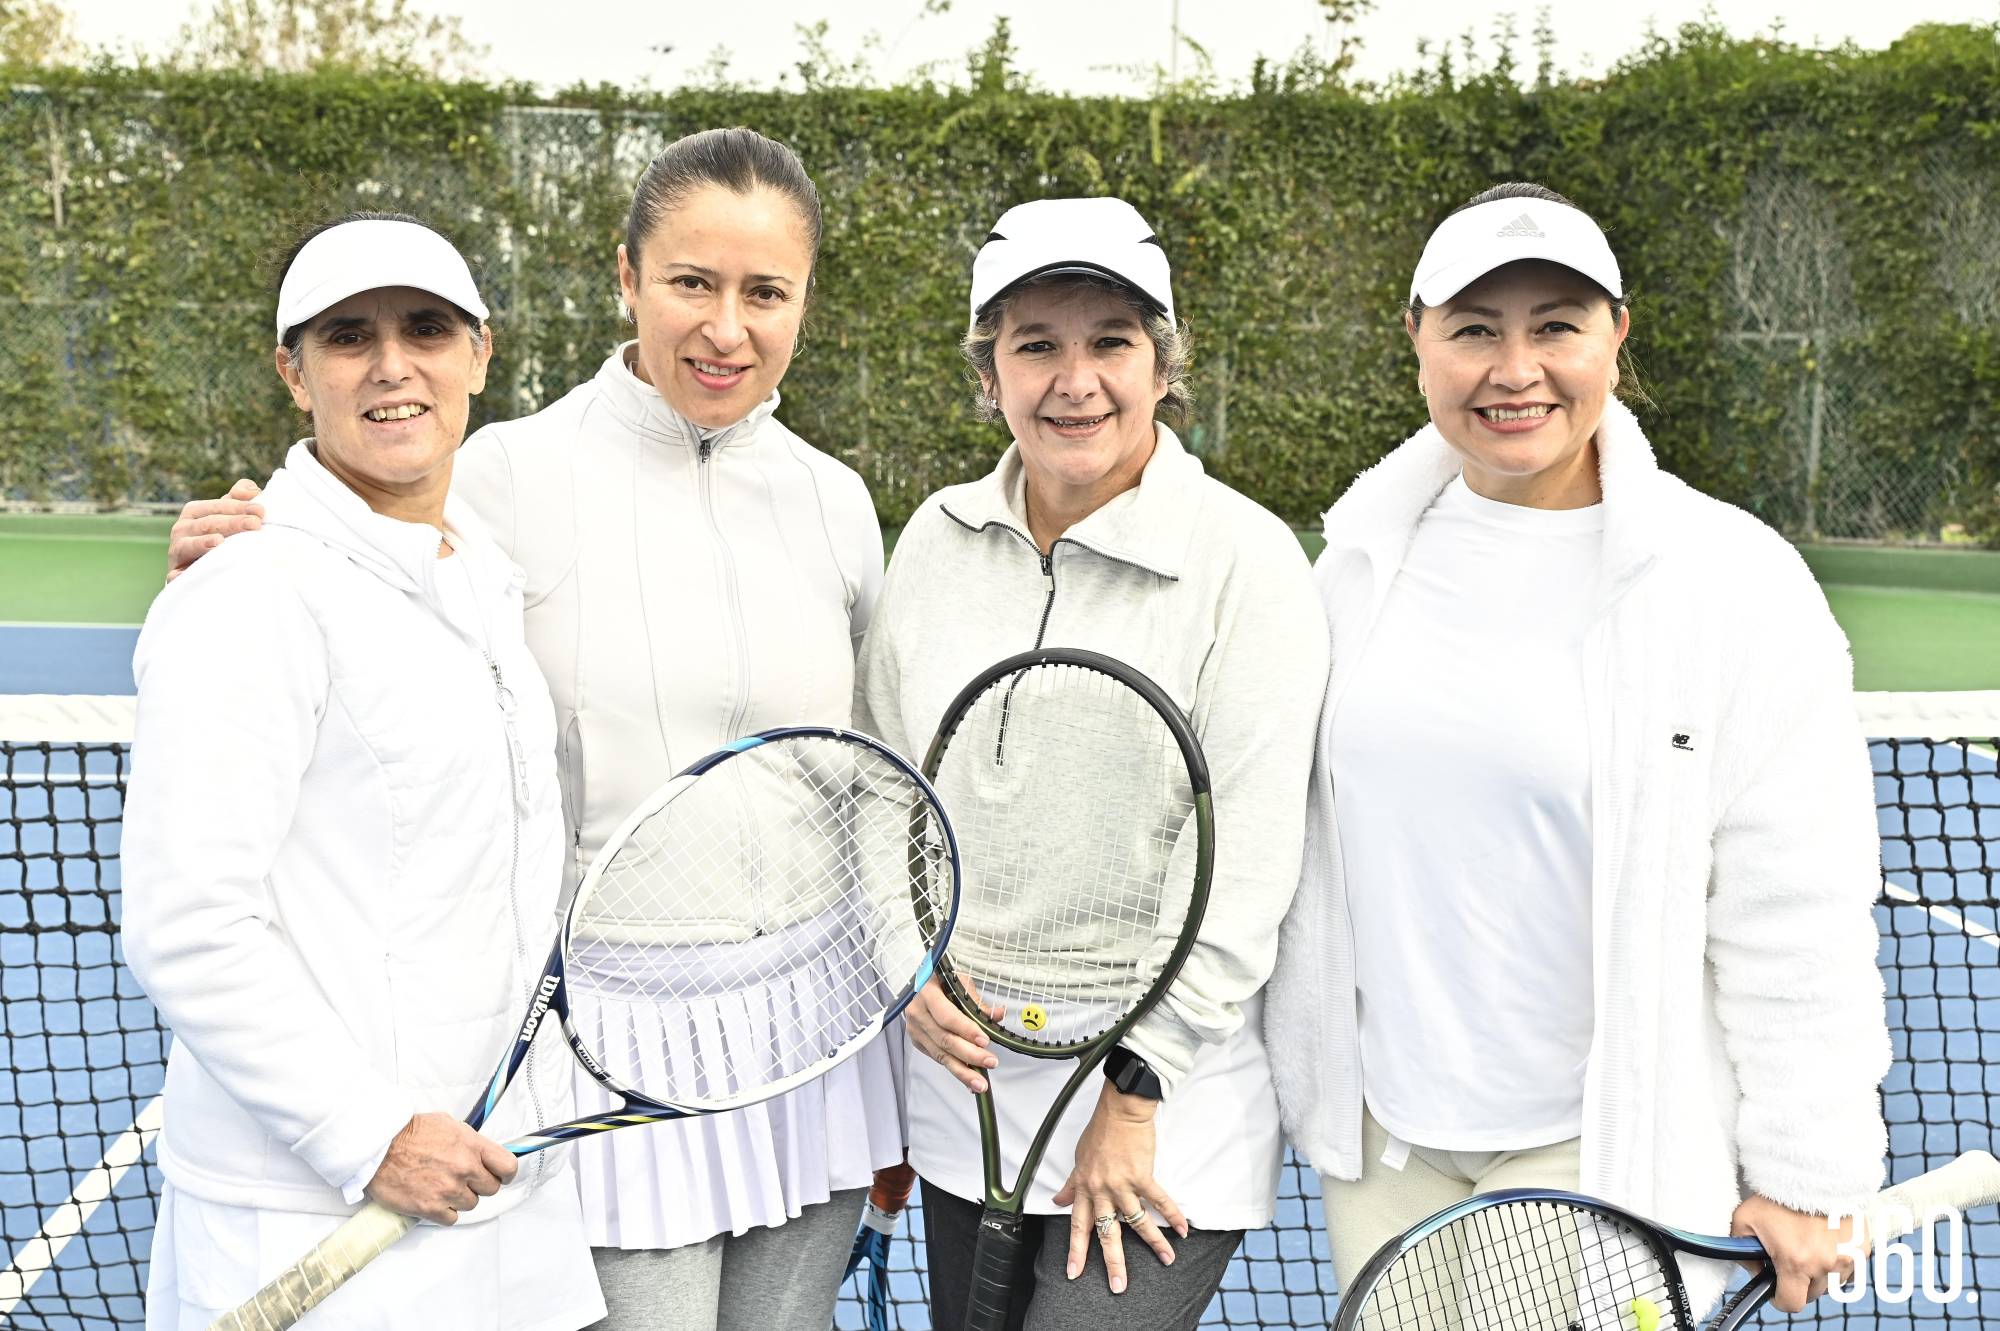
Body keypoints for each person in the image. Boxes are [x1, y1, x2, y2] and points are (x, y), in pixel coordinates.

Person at [162, 129, 894, 1331]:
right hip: (597, 1045)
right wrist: (222, 550)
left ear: (804, 301)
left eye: (765, 291)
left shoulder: (836, 502)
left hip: (806, 1040)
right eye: (690, 283)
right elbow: (349, 538)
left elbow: (859, 771)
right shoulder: (499, 473)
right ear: (626, 278)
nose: (726, 327)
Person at [1265, 182, 1891, 1317]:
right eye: (1472, 330)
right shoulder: (1353, 566)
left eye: (1554, 325)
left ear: (1615, 335)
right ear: (1415, 343)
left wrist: (1807, 1169)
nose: (1514, 370)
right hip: (1385, 1140)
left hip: (1596, 1148)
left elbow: (1792, 902)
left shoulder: (1734, 584)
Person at [853, 196, 1328, 1329]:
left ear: (1162, 366)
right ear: (990, 374)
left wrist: (1138, 1082)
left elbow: (1248, 858)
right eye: (1036, 346)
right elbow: (882, 776)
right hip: (969, 1069)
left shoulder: (1246, 564)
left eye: (1110, 342)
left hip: (1156, 1095)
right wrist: (902, 957)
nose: (1075, 381)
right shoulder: (932, 537)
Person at [123, 214, 604, 1331]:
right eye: (348, 338)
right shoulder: (248, 592)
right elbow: (186, 920)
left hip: (497, 1201)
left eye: (426, 329)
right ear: (294, 375)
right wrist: (369, 1132)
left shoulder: (480, 574)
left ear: (479, 354)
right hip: (315, 1218)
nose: (393, 364)